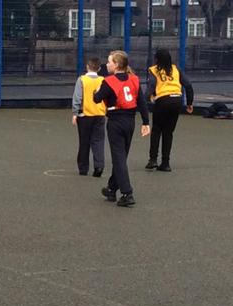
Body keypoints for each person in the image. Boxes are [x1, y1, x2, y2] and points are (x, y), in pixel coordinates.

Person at [93, 50, 150, 207]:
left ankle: (127, 193)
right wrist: (146, 122)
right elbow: (142, 103)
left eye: (110, 61)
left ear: (117, 65)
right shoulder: (134, 80)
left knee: (118, 158)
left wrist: (95, 92)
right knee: (121, 157)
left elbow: (97, 98)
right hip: (130, 121)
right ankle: (112, 188)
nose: (107, 64)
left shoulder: (109, 81)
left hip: (116, 121)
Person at [145, 48, 194, 172]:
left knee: (156, 130)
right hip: (176, 100)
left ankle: (153, 160)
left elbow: (151, 86)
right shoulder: (176, 69)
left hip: (163, 100)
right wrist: (189, 103)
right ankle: (166, 163)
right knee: (168, 132)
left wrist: (148, 97)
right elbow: (188, 85)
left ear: (156, 59)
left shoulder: (154, 70)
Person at [72, 57, 107, 177]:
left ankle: (83, 168)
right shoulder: (103, 80)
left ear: (87, 67)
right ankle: (99, 165)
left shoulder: (82, 79)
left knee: (84, 141)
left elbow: (77, 97)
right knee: (98, 141)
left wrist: (75, 113)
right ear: (99, 68)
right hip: (100, 114)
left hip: (85, 114)